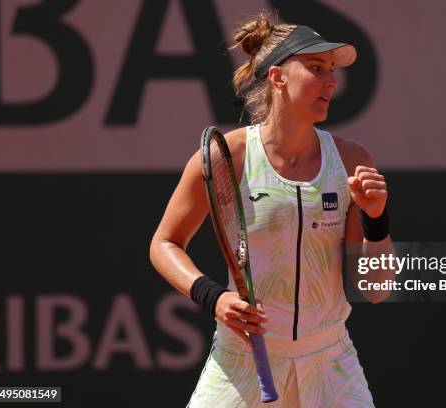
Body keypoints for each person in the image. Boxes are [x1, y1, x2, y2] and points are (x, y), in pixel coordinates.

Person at [150, 13, 394, 407]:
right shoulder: (227, 155)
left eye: (331, 70)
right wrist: (214, 298)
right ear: (278, 77)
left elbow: (376, 289)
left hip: (330, 364)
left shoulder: (352, 161)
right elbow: (165, 243)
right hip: (241, 360)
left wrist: (376, 220)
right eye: (316, 68)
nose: (331, 81)